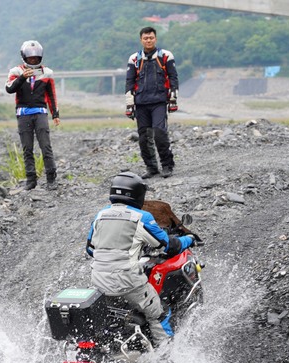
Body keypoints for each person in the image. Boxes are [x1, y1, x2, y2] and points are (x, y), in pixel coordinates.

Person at [85, 172, 194, 346]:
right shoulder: (141, 217)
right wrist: (189, 239)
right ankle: (167, 358)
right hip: (127, 282)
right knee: (159, 313)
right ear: (137, 195)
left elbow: (91, 249)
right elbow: (167, 245)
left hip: (99, 282)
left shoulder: (101, 215)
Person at [5, 40, 60, 190]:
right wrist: (22, 77)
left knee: (45, 146)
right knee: (27, 148)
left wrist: (55, 113)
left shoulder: (47, 73)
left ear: (40, 57)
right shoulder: (15, 71)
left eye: (36, 58)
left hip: (40, 112)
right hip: (23, 113)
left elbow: (51, 94)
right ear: (24, 57)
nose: (33, 60)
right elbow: (9, 89)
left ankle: (51, 178)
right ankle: (31, 180)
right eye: (30, 58)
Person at [125, 26, 179, 179]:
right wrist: (129, 104)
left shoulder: (165, 56)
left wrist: (173, 99)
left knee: (159, 133)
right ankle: (151, 168)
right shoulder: (134, 59)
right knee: (143, 137)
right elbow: (129, 82)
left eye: (151, 38)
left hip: (159, 101)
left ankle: (167, 165)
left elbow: (173, 78)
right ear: (141, 40)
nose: (148, 40)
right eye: (145, 38)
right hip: (141, 102)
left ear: (155, 38)